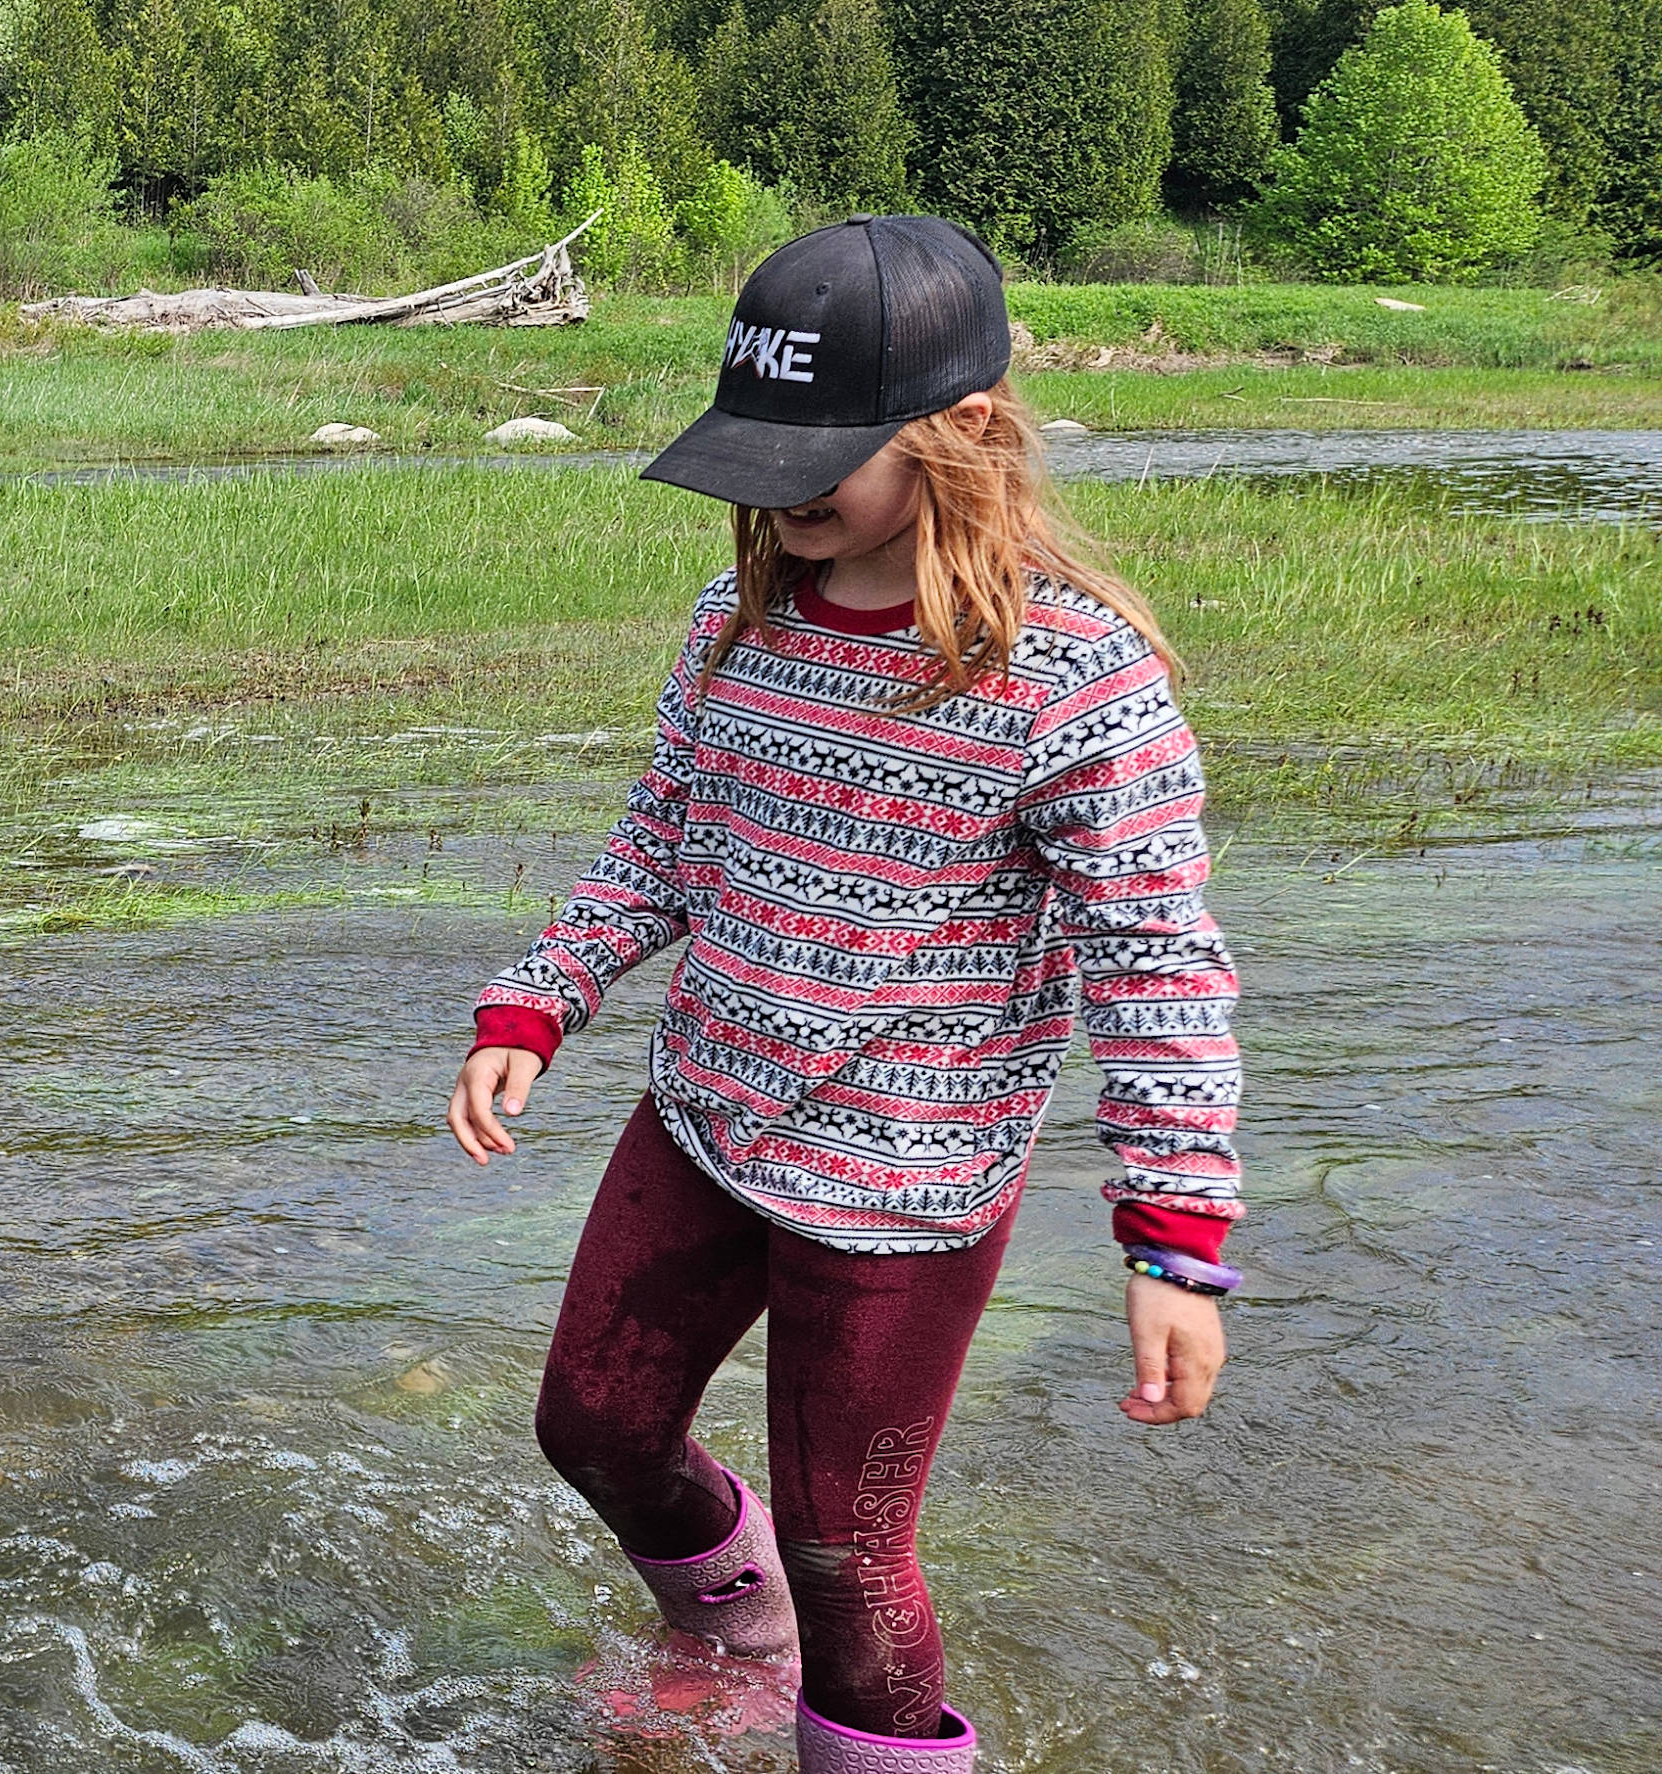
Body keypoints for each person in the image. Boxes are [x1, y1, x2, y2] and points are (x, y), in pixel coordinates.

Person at [442, 216, 1244, 1773]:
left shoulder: (1072, 676)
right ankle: (730, 1635)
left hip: (903, 1187)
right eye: (760, 451)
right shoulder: (736, 625)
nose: (781, 488)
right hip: (708, 1117)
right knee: (593, 1423)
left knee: (848, 1557)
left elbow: (1157, 966)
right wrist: (538, 1000)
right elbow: (663, 843)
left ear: (964, 429)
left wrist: (1175, 1240)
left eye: (819, 455)